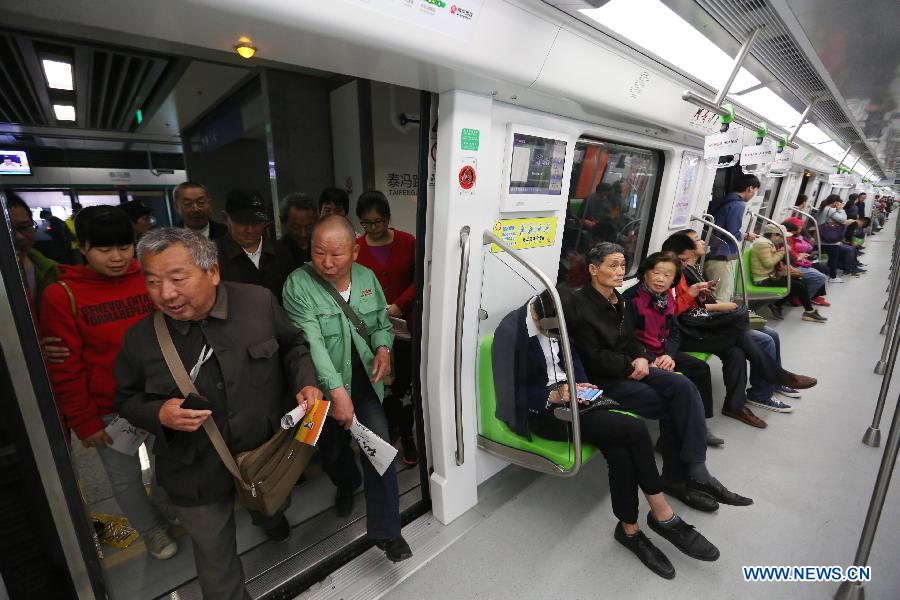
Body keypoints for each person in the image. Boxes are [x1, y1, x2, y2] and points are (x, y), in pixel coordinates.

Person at [114, 228, 321, 600]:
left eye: (178, 279)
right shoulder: (140, 339)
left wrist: (305, 382)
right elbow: (125, 399)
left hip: (263, 455)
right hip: (194, 470)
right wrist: (159, 413)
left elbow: (294, 347)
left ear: (212, 271)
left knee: (273, 505)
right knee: (215, 560)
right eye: (153, 282)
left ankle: (269, 516)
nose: (165, 294)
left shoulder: (258, 303)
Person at [494, 290, 719, 579]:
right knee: (634, 430)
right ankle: (662, 516)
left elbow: (571, 355)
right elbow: (510, 394)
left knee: (619, 448)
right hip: (543, 412)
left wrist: (581, 385)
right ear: (537, 315)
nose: (554, 337)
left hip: (575, 398)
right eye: (548, 331)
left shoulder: (562, 316)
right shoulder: (510, 331)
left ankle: (630, 530)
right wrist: (554, 395)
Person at [565, 242, 752, 512]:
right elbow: (593, 357)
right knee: (672, 405)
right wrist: (632, 365)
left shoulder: (617, 299)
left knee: (683, 385)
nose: (620, 271)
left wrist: (641, 355)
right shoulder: (580, 305)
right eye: (613, 265)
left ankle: (696, 470)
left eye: (622, 265)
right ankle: (680, 478)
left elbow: (630, 339)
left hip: (632, 364)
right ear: (594, 270)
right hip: (607, 379)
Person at [40, 206, 179, 561]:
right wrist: (83, 421)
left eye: (124, 246)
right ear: (82, 247)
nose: (117, 257)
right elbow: (65, 367)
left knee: (169, 462)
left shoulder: (146, 277)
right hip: (107, 410)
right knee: (125, 477)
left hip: (158, 398)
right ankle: (152, 532)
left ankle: (166, 505)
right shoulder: (63, 294)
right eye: (104, 249)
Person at [282, 215, 412, 563]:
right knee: (334, 450)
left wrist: (383, 348)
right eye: (318, 252)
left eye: (336, 254)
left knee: (378, 448)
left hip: (365, 380)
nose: (326, 262)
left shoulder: (367, 278)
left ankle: (388, 532)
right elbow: (312, 344)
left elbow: (382, 324)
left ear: (355, 251)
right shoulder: (297, 284)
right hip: (323, 388)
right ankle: (345, 484)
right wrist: (337, 394)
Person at [662, 231, 816, 422]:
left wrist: (699, 296)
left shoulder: (682, 273)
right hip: (680, 334)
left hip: (691, 326)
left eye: (685, 261)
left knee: (736, 351)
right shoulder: (668, 278)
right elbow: (676, 312)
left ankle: (735, 405)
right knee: (740, 336)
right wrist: (698, 297)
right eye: (682, 260)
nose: (684, 264)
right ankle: (778, 376)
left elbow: (687, 308)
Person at [622, 253, 723, 446]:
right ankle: (668, 441)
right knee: (677, 384)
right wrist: (651, 357)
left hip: (663, 352)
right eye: (656, 272)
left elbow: (674, 333)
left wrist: (669, 354)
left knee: (700, 368)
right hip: (643, 356)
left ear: (674, 279)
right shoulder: (631, 299)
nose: (661, 279)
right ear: (645, 273)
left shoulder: (666, 298)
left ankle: (700, 423)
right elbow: (628, 338)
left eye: (668, 275)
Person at [354, 191, 418, 464]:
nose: (373, 228)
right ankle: (391, 428)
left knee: (405, 383)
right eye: (367, 223)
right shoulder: (356, 247)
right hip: (370, 329)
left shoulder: (407, 242)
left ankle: (409, 433)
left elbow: (421, 278)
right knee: (383, 383)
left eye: (378, 222)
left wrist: (400, 304)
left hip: (405, 325)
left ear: (388, 218)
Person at [215, 189, 296, 304]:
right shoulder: (212, 255)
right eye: (242, 222)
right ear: (225, 217)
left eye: (256, 222)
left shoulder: (282, 253)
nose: (250, 230)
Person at [749, 224, 827, 323]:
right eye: (781, 236)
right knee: (799, 286)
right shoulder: (762, 245)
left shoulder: (767, 243)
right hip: (762, 279)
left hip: (768, 275)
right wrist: (782, 251)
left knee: (800, 282)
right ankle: (809, 312)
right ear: (774, 234)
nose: (782, 239)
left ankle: (778, 305)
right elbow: (768, 264)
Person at [704, 174, 761, 302]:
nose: (754, 195)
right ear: (750, 188)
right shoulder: (738, 204)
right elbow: (732, 233)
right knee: (721, 297)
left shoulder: (724, 200)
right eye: (755, 191)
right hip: (720, 258)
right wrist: (747, 236)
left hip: (711, 253)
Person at [783, 219, 830, 307]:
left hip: (800, 259)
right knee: (820, 267)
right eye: (799, 226)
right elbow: (792, 254)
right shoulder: (789, 239)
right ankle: (808, 297)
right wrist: (799, 256)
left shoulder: (798, 236)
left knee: (822, 265)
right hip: (795, 263)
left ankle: (815, 295)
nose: (801, 227)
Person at [277, 192, 317, 267]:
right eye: (296, 228)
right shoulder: (275, 254)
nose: (303, 233)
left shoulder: (321, 248)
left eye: (309, 227)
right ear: (283, 221)